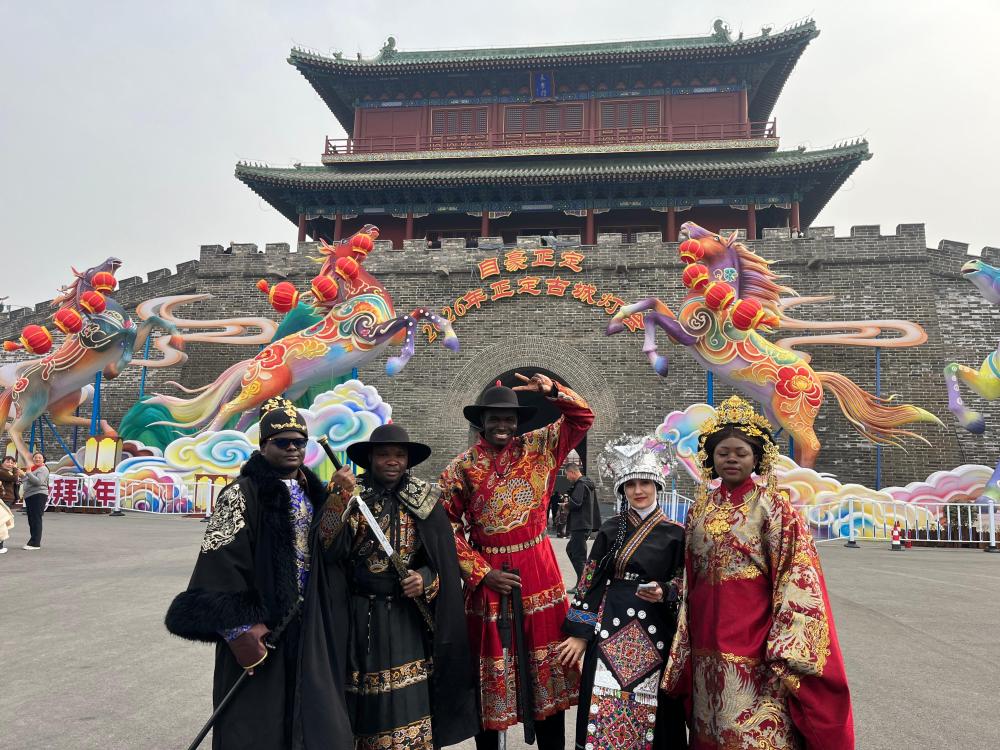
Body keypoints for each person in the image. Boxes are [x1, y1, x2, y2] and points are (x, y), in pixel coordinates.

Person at [662, 395, 855, 749]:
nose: (731, 459)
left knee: (751, 731)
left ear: (757, 458)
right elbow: (688, 577)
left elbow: (797, 576)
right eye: (723, 453)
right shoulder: (699, 510)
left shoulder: (775, 508)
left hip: (757, 639)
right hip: (704, 640)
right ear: (711, 458)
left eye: (741, 453)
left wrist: (785, 644)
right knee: (709, 725)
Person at [165, 397, 351, 750]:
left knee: (310, 714)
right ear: (264, 445)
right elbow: (219, 563)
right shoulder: (240, 494)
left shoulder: (314, 494)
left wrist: (337, 501)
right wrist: (241, 630)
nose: (292, 448)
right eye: (283, 442)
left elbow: (331, 550)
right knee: (256, 720)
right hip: (265, 628)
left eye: (299, 442)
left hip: (308, 623)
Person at [439, 373, 594, 750]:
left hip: (538, 569)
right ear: (482, 421)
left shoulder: (541, 445)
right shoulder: (461, 467)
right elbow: (445, 526)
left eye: (509, 418)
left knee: (547, 673)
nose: (502, 425)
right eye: (494, 418)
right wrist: (482, 572)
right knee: (490, 677)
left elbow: (582, 418)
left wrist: (554, 392)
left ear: (518, 421)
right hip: (489, 579)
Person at [322, 423, 479, 749]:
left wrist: (424, 578)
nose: (392, 461)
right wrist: (337, 498)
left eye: (399, 454)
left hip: (409, 617)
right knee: (362, 700)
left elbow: (442, 561)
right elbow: (328, 548)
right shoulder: (351, 494)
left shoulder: (425, 498)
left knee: (411, 699)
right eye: (383, 454)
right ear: (370, 458)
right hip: (360, 614)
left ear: (408, 460)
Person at [556, 440, 687, 749]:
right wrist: (580, 633)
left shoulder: (676, 532)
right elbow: (590, 581)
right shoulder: (611, 529)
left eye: (644, 483)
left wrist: (666, 591)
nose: (638, 490)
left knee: (653, 702)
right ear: (622, 489)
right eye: (630, 485)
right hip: (610, 622)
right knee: (604, 694)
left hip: (655, 624)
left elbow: (685, 582)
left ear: (656, 485)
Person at [563, 450, 601, 584]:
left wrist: (566, 505)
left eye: (567, 474)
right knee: (571, 550)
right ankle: (584, 580)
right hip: (585, 524)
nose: (567, 478)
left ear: (572, 472)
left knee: (579, 557)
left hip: (580, 524)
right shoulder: (587, 483)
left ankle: (585, 584)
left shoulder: (581, 484)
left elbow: (576, 503)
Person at [21, 452, 49, 550]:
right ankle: (32, 541)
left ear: (43, 459)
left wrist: (28, 473)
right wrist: (23, 475)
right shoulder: (33, 469)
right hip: (30, 495)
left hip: (38, 495)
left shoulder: (43, 469)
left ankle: (35, 543)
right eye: (35, 457)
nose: (37, 459)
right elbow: (27, 482)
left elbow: (38, 482)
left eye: (39, 457)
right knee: (31, 519)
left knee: (36, 519)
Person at [0, 456, 21, 554]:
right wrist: (16, 469)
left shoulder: (8, 472)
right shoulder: (2, 471)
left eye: (12, 463)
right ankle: (0, 546)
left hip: (8, 499)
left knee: (3, 522)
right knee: (2, 522)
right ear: (2, 463)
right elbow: (14, 478)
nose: (10, 464)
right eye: (8, 462)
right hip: (4, 499)